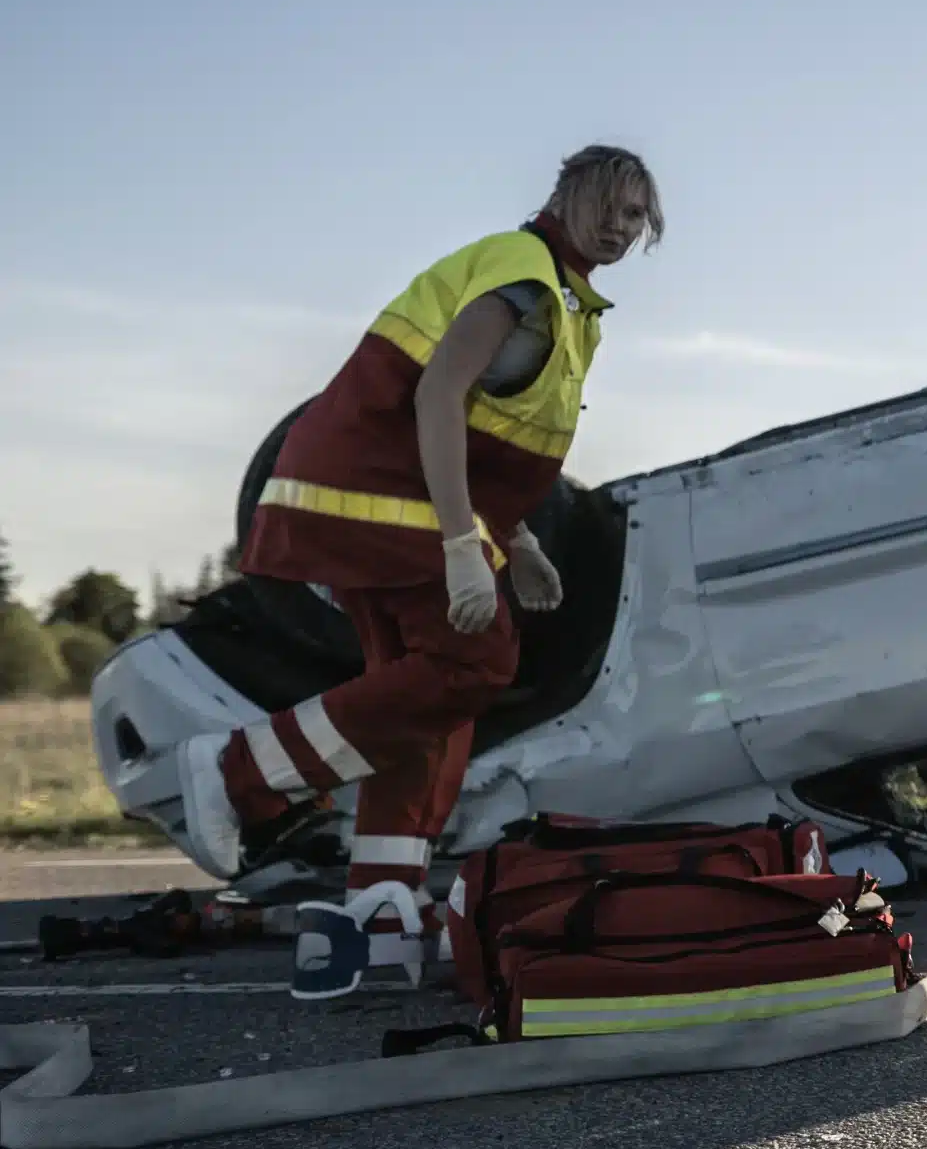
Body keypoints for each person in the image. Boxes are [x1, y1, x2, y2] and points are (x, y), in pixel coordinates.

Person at [176, 146, 663, 997]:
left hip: (382, 491)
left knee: (423, 699)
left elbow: (486, 436)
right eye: (614, 208)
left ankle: (383, 901)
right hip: (385, 496)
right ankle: (240, 772)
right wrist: (459, 548)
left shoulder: (563, 300)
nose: (623, 230)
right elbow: (438, 396)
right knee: (473, 663)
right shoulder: (526, 285)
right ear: (569, 195)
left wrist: (517, 540)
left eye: (638, 219)